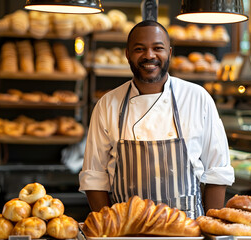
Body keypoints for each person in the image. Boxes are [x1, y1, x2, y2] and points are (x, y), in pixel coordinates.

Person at [78, 20, 234, 219]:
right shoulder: (107, 105)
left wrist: (210, 226)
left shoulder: (197, 98)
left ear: (169, 53)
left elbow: (217, 171)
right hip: (127, 230)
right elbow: (94, 177)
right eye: (139, 49)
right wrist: (109, 228)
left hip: (188, 230)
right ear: (127, 54)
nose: (149, 55)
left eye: (157, 48)